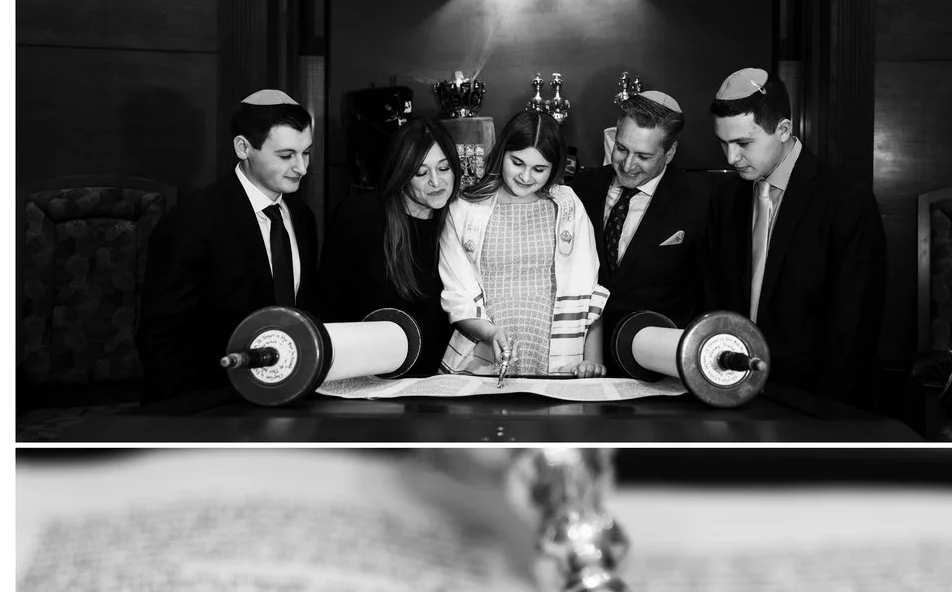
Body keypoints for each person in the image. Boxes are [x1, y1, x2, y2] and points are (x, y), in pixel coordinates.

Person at [700, 68, 886, 407]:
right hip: (733, 391)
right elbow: (716, 297)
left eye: (743, 143)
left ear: (783, 130)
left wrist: (827, 414)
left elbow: (853, 325)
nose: (731, 158)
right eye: (723, 143)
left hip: (811, 399)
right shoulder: (726, 198)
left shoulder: (846, 199)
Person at [135, 89, 321, 402]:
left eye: (307, 153)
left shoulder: (301, 216)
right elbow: (163, 336)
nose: (301, 168)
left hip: (292, 392)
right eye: (286, 156)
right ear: (243, 148)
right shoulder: (192, 219)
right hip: (214, 400)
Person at [436, 108, 606, 376]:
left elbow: (589, 291)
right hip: (483, 354)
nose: (526, 177)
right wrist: (491, 333)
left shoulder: (567, 205)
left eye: (539, 169)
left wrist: (593, 363)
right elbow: (457, 296)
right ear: (502, 153)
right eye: (517, 163)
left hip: (558, 356)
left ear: (554, 167)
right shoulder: (465, 208)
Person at [320, 113, 462, 375]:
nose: (436, 181)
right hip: (365, 376)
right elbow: (328, 305)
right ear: (402, 174)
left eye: (444, 168)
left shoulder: (458, 221)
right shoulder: (360, 216)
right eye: (420, 172)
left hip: (437, 379)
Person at [567, 90, 709, 327]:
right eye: (621, 149)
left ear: (670, 153)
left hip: (658, 343)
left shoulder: (698, 202)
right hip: (587, 342)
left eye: (643, 156)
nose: (628, 165)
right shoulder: (584, 186)